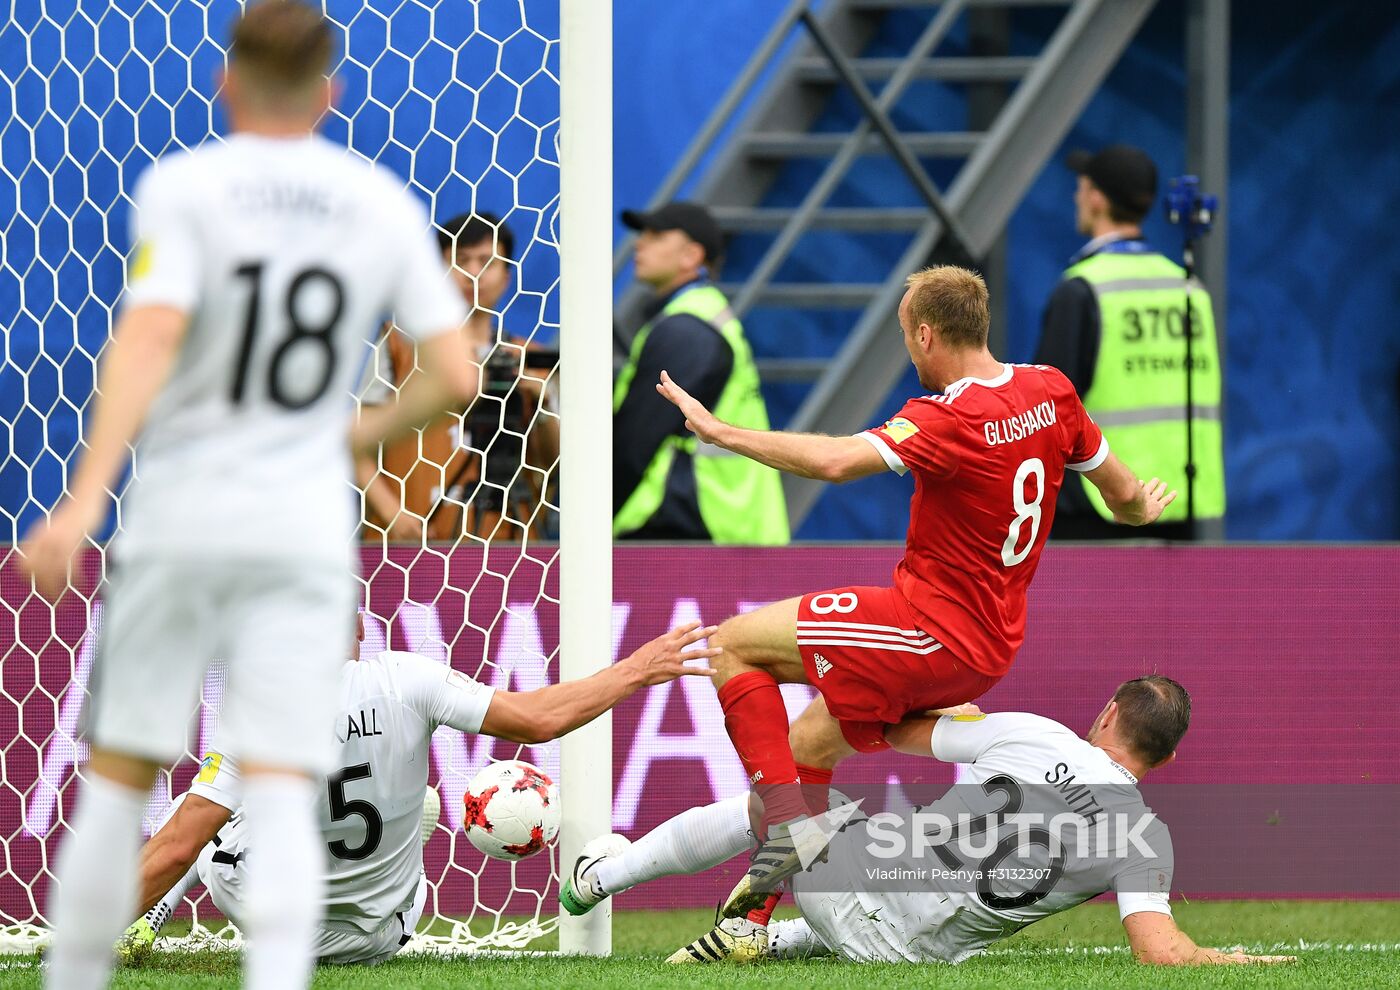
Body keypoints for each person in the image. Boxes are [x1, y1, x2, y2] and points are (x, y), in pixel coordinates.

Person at [17, 4, 479, 988]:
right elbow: (455, 375)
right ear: (330, 93)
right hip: (303, 528)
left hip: (182, 511)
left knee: (120, 776)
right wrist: (347, 435)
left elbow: (143, 343)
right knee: (277, 785)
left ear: (224, 81)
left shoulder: (185, 188)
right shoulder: (376, 202)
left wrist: (82, 498)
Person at [651, 265, 1177, 919]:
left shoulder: (946, 417)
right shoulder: (1052, 392)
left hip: (928, 630)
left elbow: (837, 462)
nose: (908, 349)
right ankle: (748, 924)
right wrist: (1142, 512)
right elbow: (1125, 497)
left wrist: (720, 432)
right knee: (809, 745)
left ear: (925, 334)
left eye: (906, 336)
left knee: (730, 645)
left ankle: (785, 829)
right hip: (991, 646)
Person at [564, 677, 1294, 968]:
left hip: (842, 886)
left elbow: (900, 733)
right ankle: (768, 941)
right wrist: (1240, 963)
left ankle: (597, 878)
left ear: (1106, 715)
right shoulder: (1144, 836)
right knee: (932, 917)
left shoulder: (1034, 734)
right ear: (1160, 762)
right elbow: (1161, 953)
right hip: (902, 960)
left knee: (784, 804)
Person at [117, 616, 717, 966]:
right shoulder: (405, 679)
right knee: (420, 798)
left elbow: (172, 849)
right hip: (379, 933)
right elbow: (539, 721)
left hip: (272, 922)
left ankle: (151, 917)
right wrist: (638, 667)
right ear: (354, 628)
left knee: (199, 817)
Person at [1035, 144, 1225, 541]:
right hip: (1178, 500)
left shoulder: (1083, 288)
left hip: (1101, 504)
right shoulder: (1188, 287)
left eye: (1082, 187)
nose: (1076, 196)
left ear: (1098, 199)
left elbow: (1046, 409)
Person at [358, 211, 560, 542]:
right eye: (461, 260)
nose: (473, 273)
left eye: (488, 261)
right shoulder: (398, 344)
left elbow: (557, 468)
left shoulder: (530, 357)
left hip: (505, 549)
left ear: (508, 277)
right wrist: (392, 513)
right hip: (407, 546)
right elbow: (358, 439)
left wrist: (543, 400)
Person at [613, 201, 789, 544]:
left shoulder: (687, 328)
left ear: (691, 255)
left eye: (656, 234)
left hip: (687, 524)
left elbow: (636, 442)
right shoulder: (700, 316)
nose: (639, 243)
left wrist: (588, 522)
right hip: (719, 524)